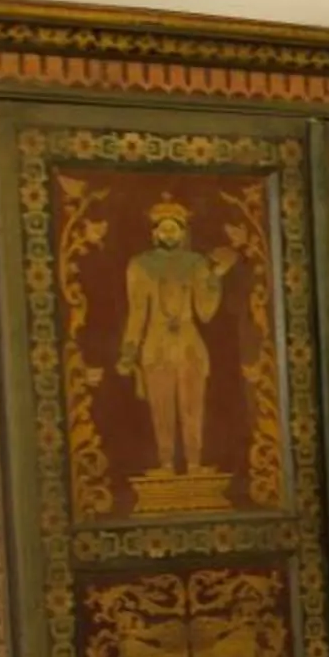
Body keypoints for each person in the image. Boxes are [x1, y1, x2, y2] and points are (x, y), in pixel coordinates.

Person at [116, 195, 236, 479]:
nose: (169, 233)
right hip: (155, 343)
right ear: (154, 232)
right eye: (164, 228)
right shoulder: (140, 265)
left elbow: (205, 311)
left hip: (188, 342)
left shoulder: (195, 263)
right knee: (161, 407)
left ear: (183, 232)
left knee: (192, 405)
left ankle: (194, 463)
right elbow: (136, 313)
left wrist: (215, 276)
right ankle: (166, 464)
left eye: (174, 228)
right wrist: (128, 352)